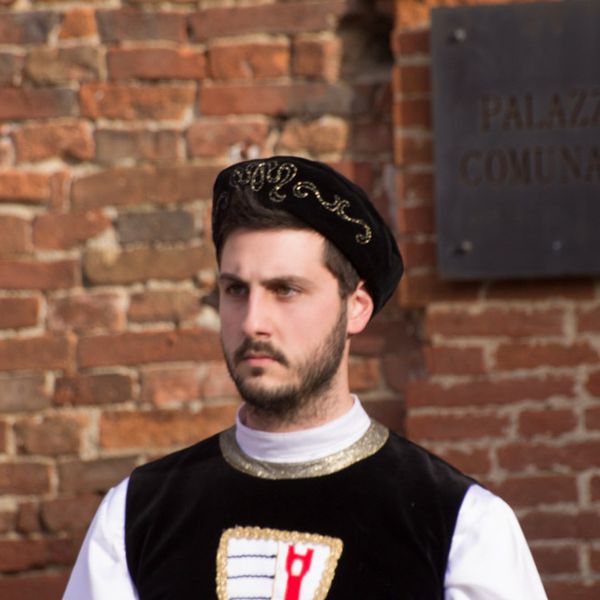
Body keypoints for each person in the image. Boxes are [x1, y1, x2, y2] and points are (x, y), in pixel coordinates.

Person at [63, 156, 547, 599]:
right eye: (236, 290)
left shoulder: (462, 526)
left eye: (286, 290)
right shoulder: (136, 516)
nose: (253, 321)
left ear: (356, 307)